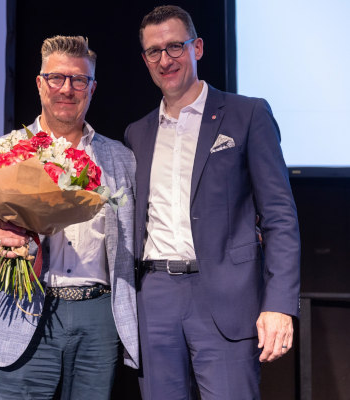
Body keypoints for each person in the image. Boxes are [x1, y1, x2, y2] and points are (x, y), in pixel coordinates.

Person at [124, 5, 301, 399]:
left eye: (175, 46)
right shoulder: (137, 133)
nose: (165, 60)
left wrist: (279, 304)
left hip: (225, 296)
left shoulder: (247, 114)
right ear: (145, 59)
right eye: (154, 51)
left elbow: (280, 217)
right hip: (155, 298)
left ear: (198, 47)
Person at [0, 35, 138, 399]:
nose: (67, 89)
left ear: (92, 88)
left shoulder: (121, 158)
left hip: (98, 319)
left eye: (79, 80)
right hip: (20, 310)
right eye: (56, 78)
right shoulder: (1, 152)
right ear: (40, 84)